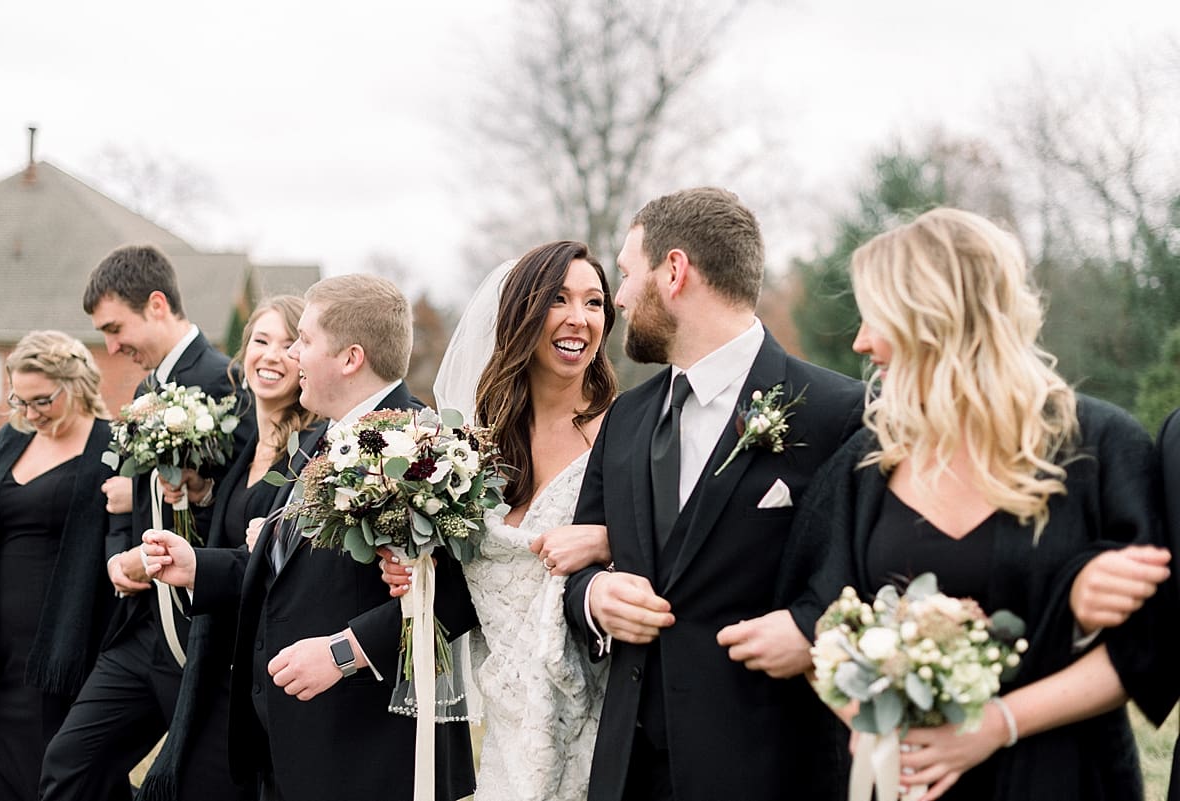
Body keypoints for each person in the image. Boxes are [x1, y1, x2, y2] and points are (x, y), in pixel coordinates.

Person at [763, 208, 1166, 800]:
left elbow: (1148, 647)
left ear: (935, 318)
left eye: (877, 318)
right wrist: (867, 719)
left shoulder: (1098, 447)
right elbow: (821, 621)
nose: (861, 341)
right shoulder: (867, 461)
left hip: (1060, 777)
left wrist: (995, 726)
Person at [561, 187, 864, 801]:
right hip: (630, 773)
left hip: (771, 765)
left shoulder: (839, 414)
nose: (617, 298)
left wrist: (809, 628)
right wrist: (596, 597)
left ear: (674, 271)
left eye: (625, 274)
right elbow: (580, 566)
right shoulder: (624, 420)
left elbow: (868, 572)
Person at [142, 274, 477, 801]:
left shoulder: (427, 448)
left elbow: (459, 595)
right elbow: (290, 569)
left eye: (305, 340)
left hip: (367, 753)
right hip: (288, 743)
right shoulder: (320, 438)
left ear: (350, 358)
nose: (293, 353)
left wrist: (345, 653)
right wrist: (197, 567)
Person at [380, 241, 617, 800]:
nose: (579, 319)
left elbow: (663, 544)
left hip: (598, 710)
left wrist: (608, 542)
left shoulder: (624, 429)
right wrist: (417, 573)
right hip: (509, 715)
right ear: (522, 313)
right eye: (558, 299)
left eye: (595, 302)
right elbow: (460, 576)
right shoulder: (472, 445)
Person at [41, 244, 253, 801]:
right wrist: (119, 554)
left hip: (205, 635)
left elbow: (236, 513)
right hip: (140, 631)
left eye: (115, 328)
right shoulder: (143, 394)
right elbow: (126, 500)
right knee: (71, 764)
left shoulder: (230, 385)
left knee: (196, 787)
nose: (110, 347)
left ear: (156, 304)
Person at [138, 295, 319, 800]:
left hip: (270, 671)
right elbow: (226, 536)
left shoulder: (312, 450)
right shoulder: (242, 448)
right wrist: (198, 496)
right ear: (243, 354)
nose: (273, 355)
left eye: (290, 344)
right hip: (219, 661)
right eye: (261, 341)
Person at [0, 332, 126, 801]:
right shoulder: (9, 440)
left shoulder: (112, 447)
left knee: (56, 777)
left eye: (42, 400)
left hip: (63, 650)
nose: (30, 413)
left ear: (76, 383)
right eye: (18, 401)